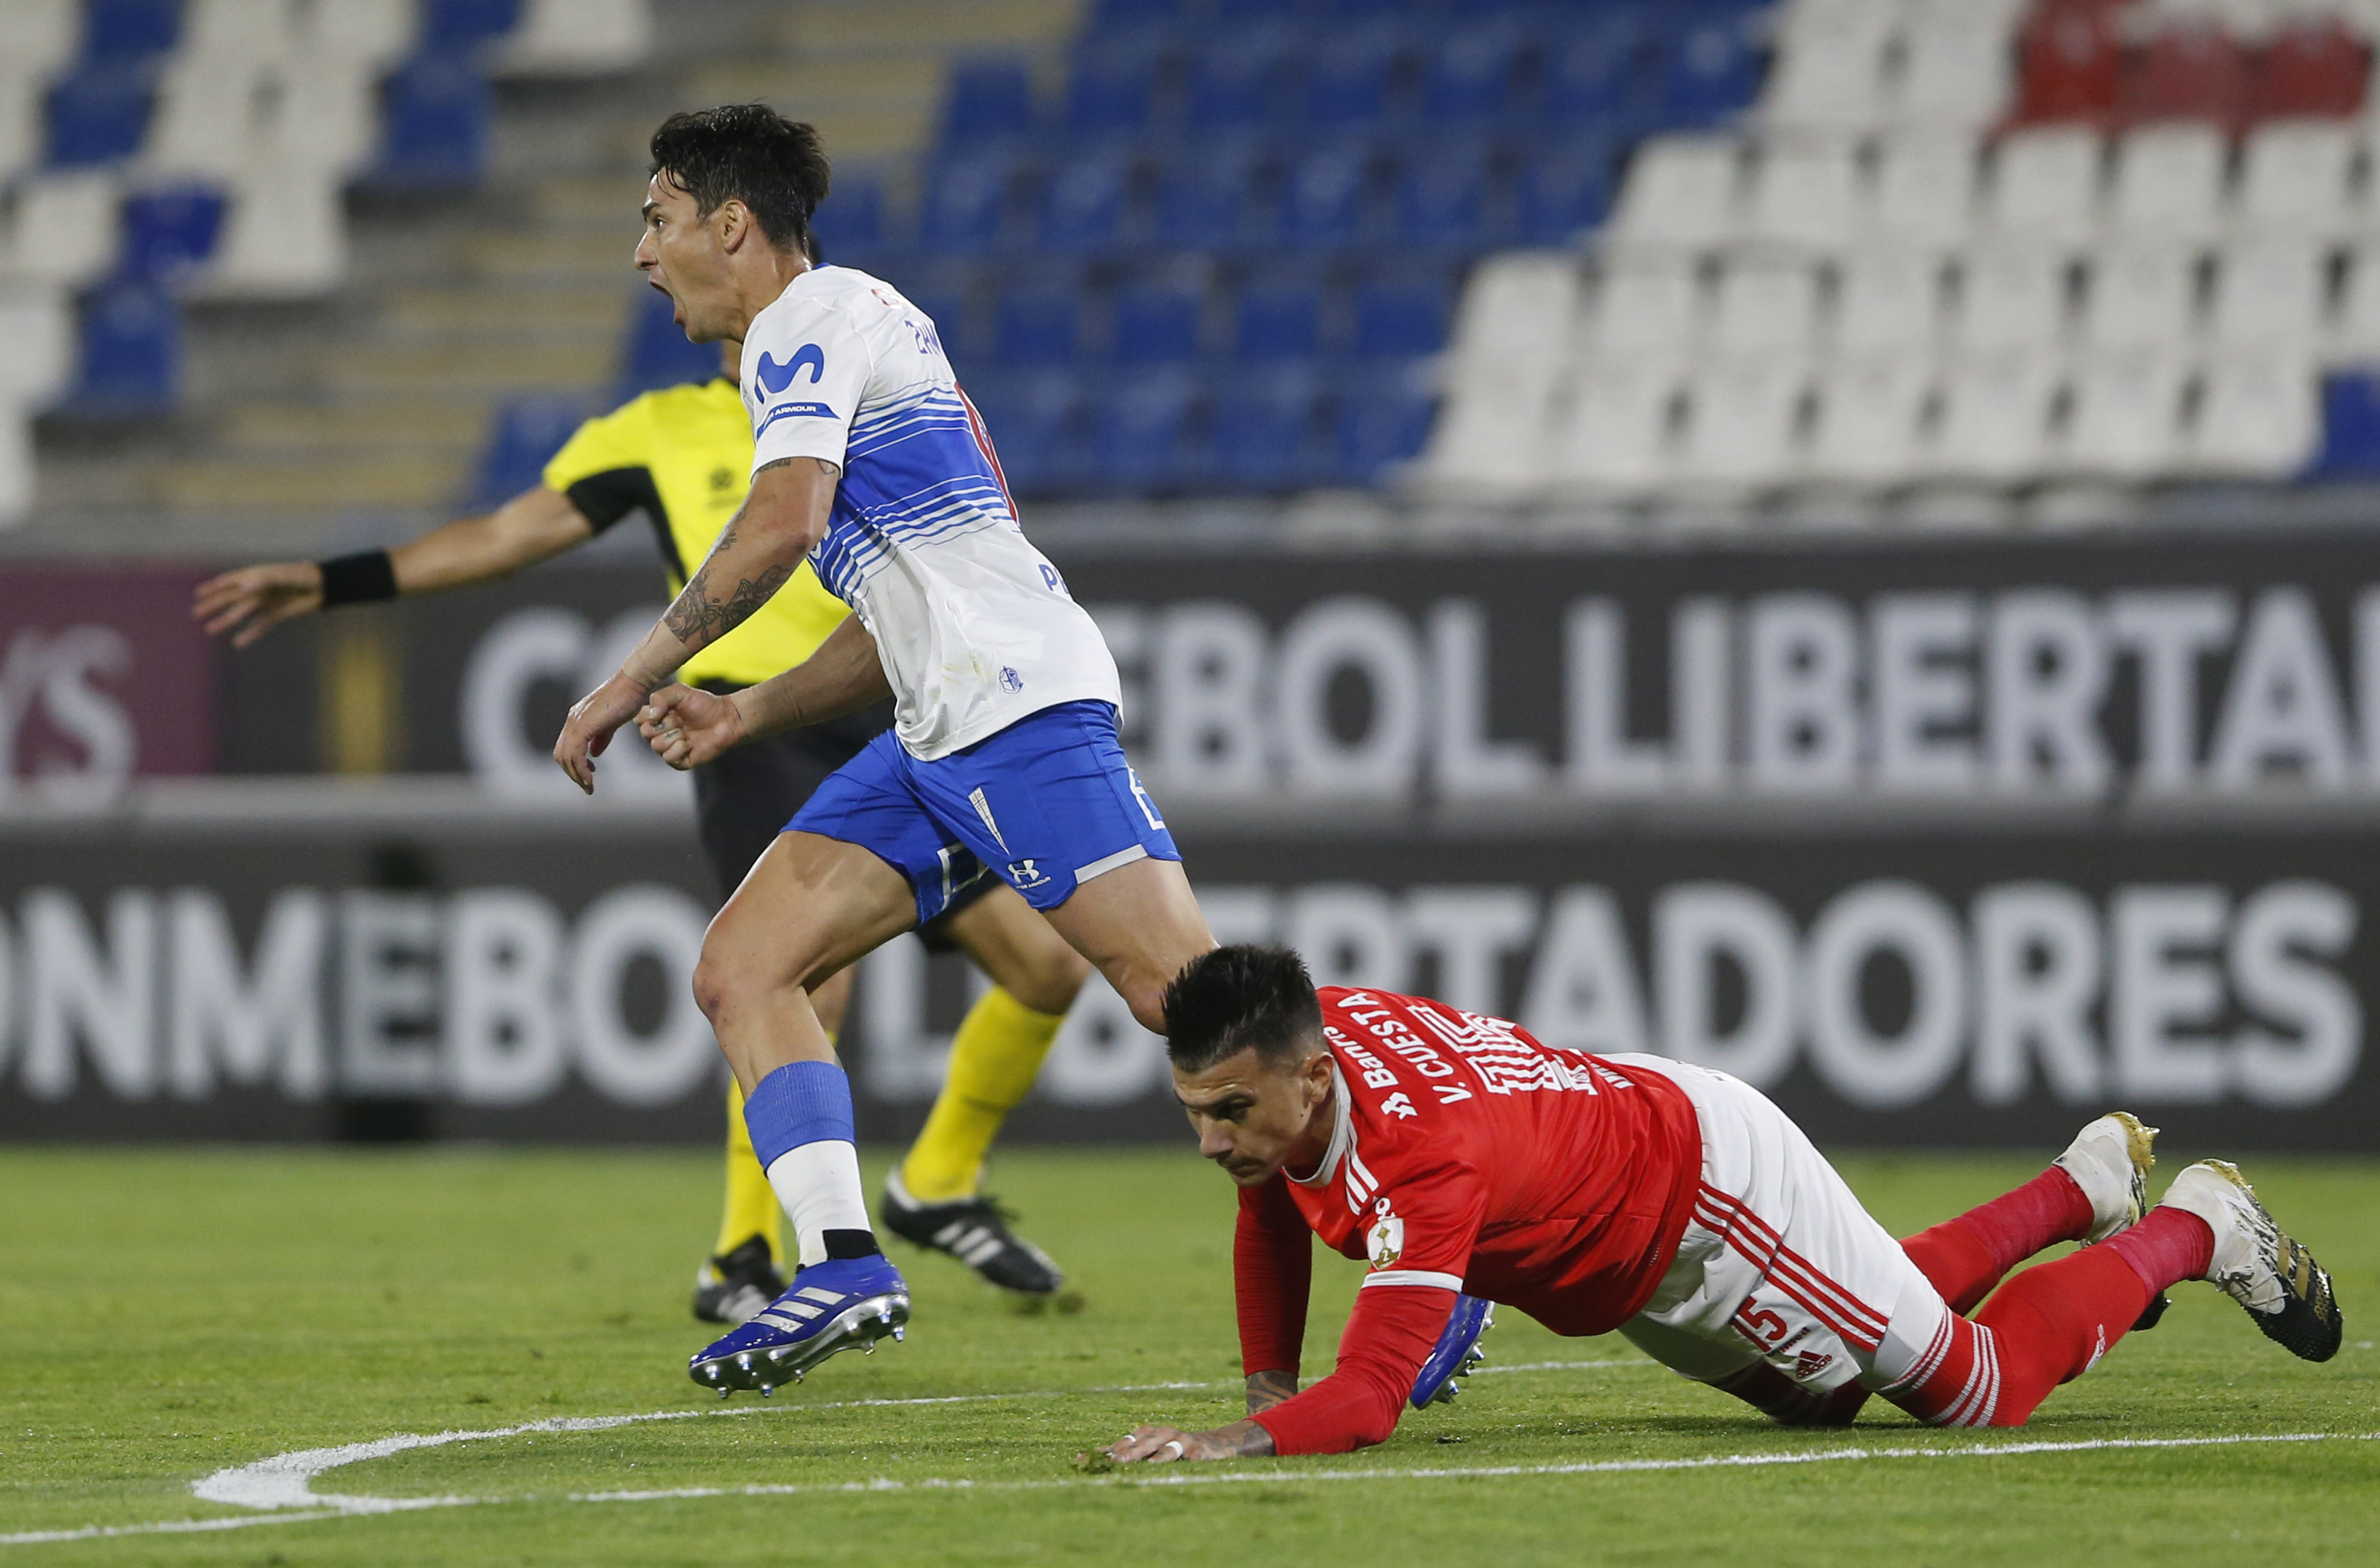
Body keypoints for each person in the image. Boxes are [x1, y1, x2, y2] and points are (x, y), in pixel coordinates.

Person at [190, 344, 1093, 1326]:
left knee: (1048, 965)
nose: (655, 262)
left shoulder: (864, 398)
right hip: (754, 727)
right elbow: (505, 534)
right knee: (802, 982)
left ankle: (939, 1182)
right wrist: (335, 583)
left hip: (892, 704)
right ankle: (741, 1249)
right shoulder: (656, 430)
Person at [550, 104, 1218, 1392]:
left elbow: (781, 527)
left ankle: (1440, 1188)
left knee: (1188, 1001)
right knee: (745, 968)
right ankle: (843, 1262)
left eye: (658, 217)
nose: (643, 252)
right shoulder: (836, 330)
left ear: (728, 225)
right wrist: (746, 711)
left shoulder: (807, 321)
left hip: (1013, 707)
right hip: (939, 718)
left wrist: (628, 679)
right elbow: (900, 605)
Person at [1106, 945, 2344, 1462]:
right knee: (1835, 1388)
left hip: (1709, 1193)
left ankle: (2196, 1222)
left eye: (1228, 1110)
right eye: (1194, 1109)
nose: (1210, 1139)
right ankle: (2083, 1187)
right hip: (1635, 1245)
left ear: (1313, 1076)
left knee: (1971, 1392)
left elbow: (1374, 1399)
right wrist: (1270, 1383)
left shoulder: (1424, 1159)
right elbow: (1271, 1199)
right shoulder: (1310, 1055)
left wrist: (1238, 1438)